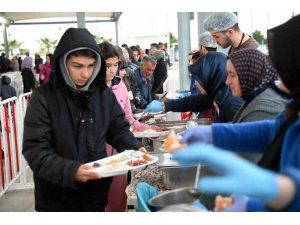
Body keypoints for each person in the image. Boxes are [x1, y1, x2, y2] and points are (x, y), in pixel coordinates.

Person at [173, 15, 300, 212]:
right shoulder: (292, 108)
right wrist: (214, 134)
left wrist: (258, 204)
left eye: (282, 68)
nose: (277, 75)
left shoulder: (264, 105)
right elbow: (272, 131)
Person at [22, 28, 146, 212]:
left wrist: (135, 147)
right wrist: (71, 171)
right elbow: (35, 150)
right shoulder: (43, 98)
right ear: (63, 63)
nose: (86, 74)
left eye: (91, 66)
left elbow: (118, 129)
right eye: (77, 66)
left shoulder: (103, 94)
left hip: (95, 195)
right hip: (56, 199)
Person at [99, 41, 149, 212]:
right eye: (107, 65)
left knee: (119, 196)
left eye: (115, 65)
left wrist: (148, 128)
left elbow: (128, 118)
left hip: (119, 153)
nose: (112, 70)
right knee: (100, 199)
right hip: (97, 153)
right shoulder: (90, 91)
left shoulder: (121, 87)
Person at [145, 43, 244, 123]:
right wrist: (165, 106)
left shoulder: (231, 104)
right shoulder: (217, 95)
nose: (196, 84)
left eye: (198, 79)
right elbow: (192, 102)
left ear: (210, 78)